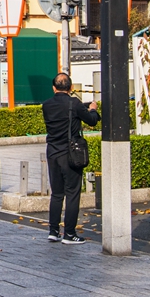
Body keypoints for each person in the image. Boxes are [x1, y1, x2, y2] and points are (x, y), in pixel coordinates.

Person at [41, 72, 99, 245]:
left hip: (52, 152)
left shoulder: (46, 105)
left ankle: (53, 231)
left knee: (57, 194)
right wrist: (93, 109)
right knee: (72, 193)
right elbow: (91, 121)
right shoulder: (75, 104)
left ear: (53, 87)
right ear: (71, 87)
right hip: (70, 153)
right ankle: (69, 234)